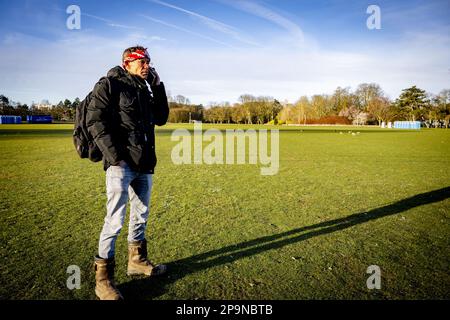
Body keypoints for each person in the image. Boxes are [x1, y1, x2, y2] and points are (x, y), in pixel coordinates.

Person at [86, 46, 169, 300]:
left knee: (141, 215)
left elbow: (162, 117)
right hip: (121, 165)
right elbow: (94, 121)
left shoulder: (144, 89)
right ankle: (103, 280)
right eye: (142, 62)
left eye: (149, 61)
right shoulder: (109, 84)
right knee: (114, 220)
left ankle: (137, 261)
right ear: (127, 63)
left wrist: (158, 86)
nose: (147, 65)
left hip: (144, 164)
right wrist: (115, 158)